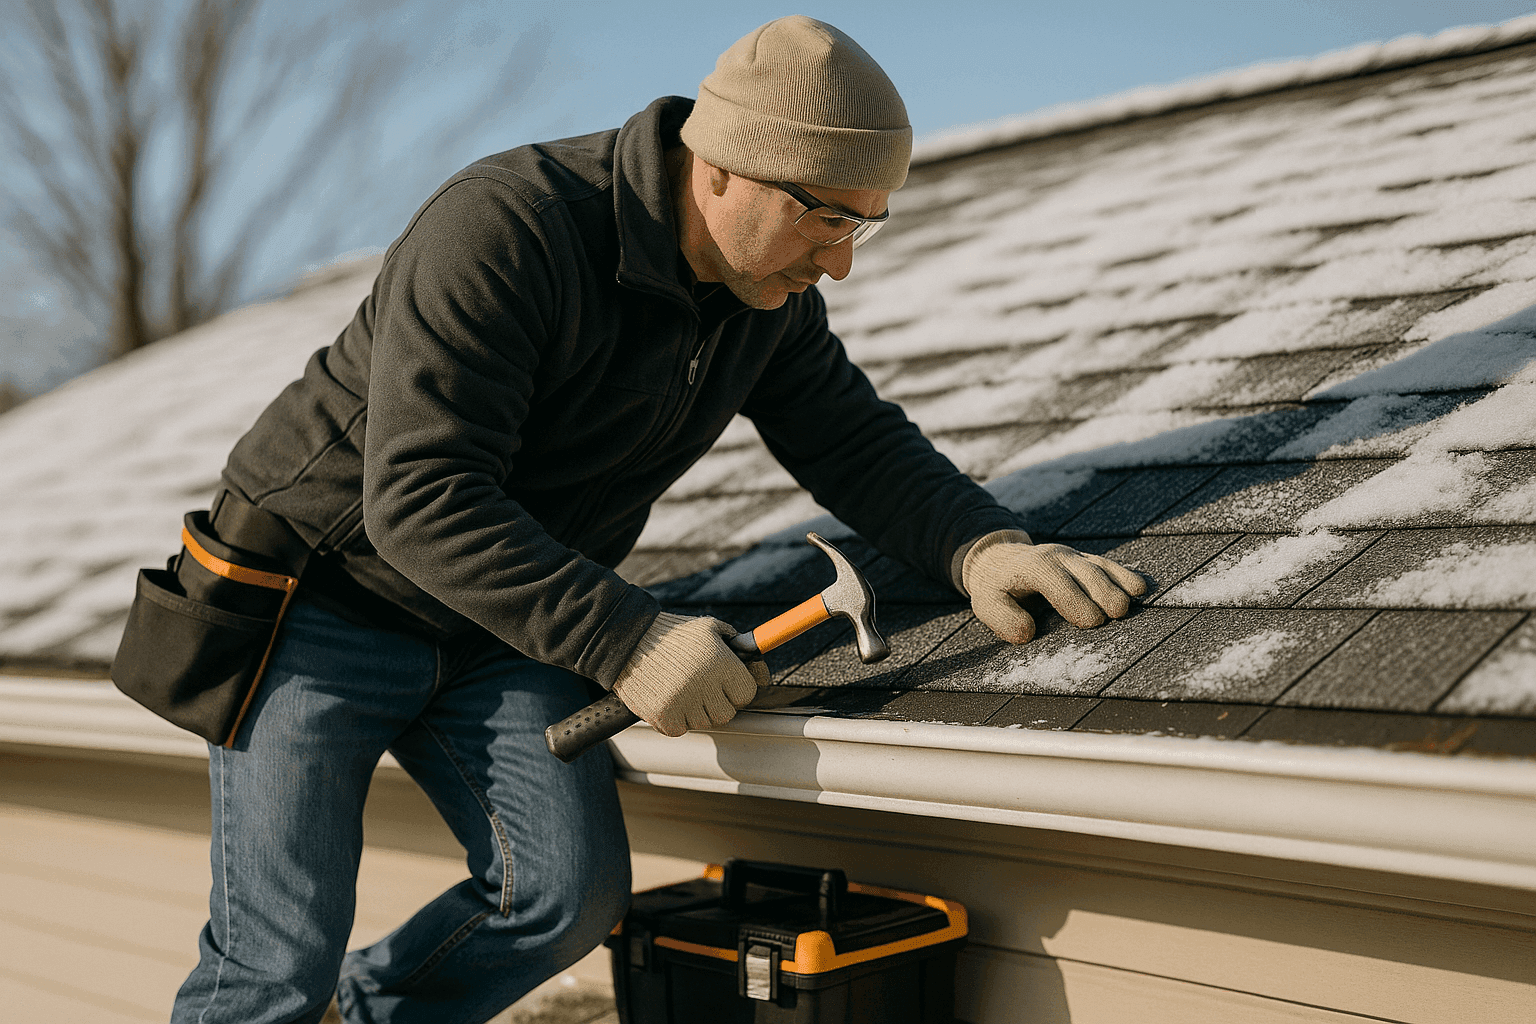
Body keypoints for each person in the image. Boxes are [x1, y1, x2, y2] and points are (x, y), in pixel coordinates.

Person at [168, 15, 1145, 1024]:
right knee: (276, 957)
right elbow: (419, 494)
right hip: (323, 602)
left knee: (563, 898)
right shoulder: (509, 229)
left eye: (861, 223)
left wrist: (979, 544)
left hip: (501, 617)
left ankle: (363, 1013)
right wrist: (626, 635)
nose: (840, 262)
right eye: (825, 217)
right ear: (723, 168)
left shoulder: (762, 299)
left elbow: (851, 439)